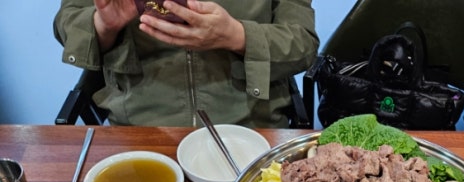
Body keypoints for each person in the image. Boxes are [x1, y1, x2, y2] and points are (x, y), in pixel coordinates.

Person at [54, 0, 319, 127]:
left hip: (251, 127)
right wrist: (103, 25)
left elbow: (302, 43)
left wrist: (236, 36)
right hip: (138, 130)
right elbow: (67, 22)